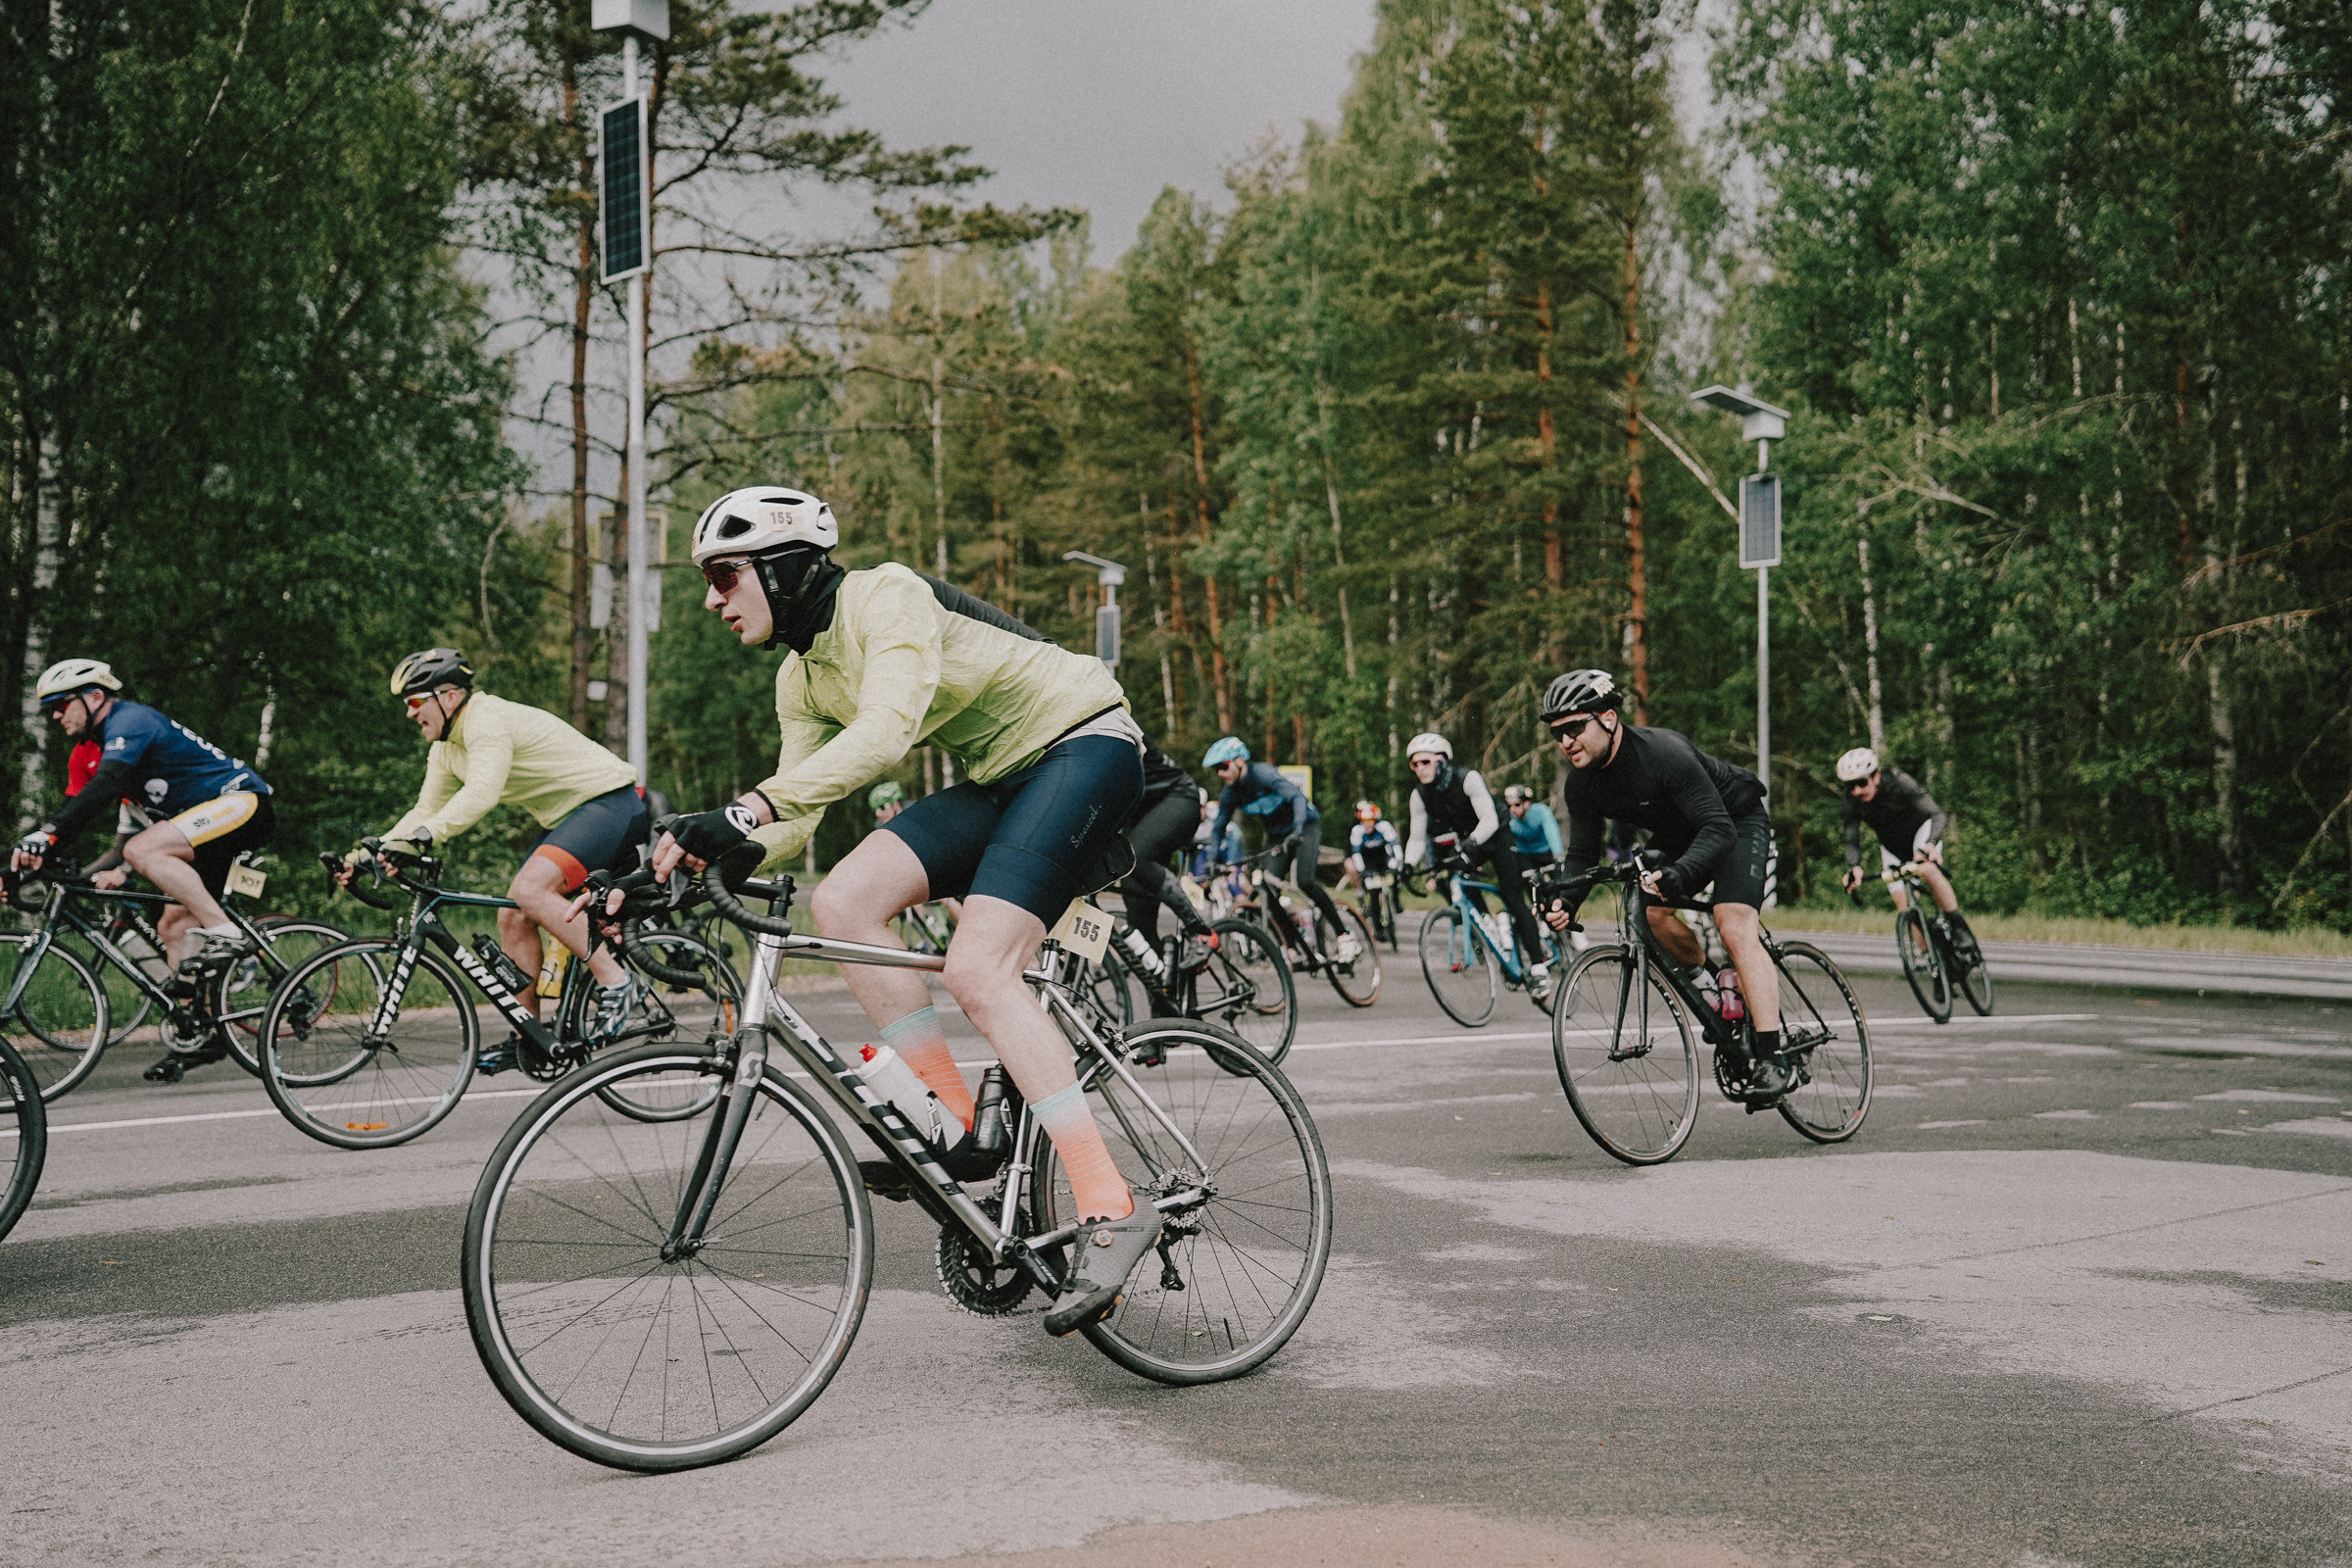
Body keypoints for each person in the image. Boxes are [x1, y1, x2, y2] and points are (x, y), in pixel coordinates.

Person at [648, 483, 1157, 1338]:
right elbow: (796, 817)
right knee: (842, 899)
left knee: (977, 967)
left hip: (1085, 743)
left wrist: (744, 810)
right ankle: (956, 1126)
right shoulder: (799, 676)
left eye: (726, 576)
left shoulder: (887, 595)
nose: (712, 599)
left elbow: (884, 734)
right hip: (1003, 773)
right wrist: (701, 850)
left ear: (781, 567)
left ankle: (1112, 1204)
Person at [351, 649, 647, 1073]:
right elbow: (425, 811)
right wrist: (369, 854)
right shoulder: (446, 747)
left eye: (416, 702)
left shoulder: (486, 721)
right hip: (569, 817)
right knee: (513, 916)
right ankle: (530, 1035)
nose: (410, 714)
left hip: (609, 803)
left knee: (530, 890)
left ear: (449, 696)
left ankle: (617, 982)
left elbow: (481, 794)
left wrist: (427, 837)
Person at [12, 659, 276, 1080]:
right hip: (200, 828)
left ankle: (227, 933)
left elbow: (101, 793)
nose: (56, 716)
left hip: (242, 802)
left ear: (94, 696)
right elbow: (74, 812)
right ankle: (203, 1032)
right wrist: (30, 860)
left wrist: (45, 836)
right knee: (173, 928)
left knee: (143, 850)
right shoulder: (89, 752)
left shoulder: (131, 720)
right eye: (50, 711)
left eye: (60, 705)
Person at [1537, 669, 1791, 1095]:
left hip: (1735, 821)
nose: (1566, 742)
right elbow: (1583, 854)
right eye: (1558, 733)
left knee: (1733, 925)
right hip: (1682, 832)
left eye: (1576, 727)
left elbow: (1718, 829)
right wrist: (1566, 901)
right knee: (1652, 915)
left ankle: (1773, 1057)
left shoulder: (1662, 753)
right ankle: (1717, 989)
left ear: (1609, 718)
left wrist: (1681, 873)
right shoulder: (1581, 783)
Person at [1401, 733, 1549, 997]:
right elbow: (1416, 836)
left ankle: (1538, 968)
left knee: (1512, 896)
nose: (1419, 769)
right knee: (1463, 888)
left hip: (1495, 833)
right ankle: (1496, 937)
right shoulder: (1420, 795)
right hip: (1467, 841)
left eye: (1424, 762)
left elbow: (1489, 820)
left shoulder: (1466, 778)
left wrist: (1471, 842)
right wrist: (1407, 865)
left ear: (1441, 760)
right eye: (1414, 764)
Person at [1202, 737, 1357, 961]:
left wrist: (1296, 831)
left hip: (1304, 825)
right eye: (1216, 769)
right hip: (1276, 836)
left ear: (1239, 761)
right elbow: (1218, 830)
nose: (1220, 773)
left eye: (1223, 766)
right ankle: (1292, 947)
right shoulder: (1231, 794)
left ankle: (1344, 935)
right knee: (1268, 890)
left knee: (1305, 881)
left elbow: (1297, 798)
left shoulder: (1262, 774)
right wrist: (1212, 858)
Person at [1836, 748, 1977, 957]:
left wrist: (1931, 844)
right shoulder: (1852, 800)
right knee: (1905, 909)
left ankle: (1958, 925)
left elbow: (1937, 814)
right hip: (1892, 847)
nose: (1856, 791)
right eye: (1850, 786)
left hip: (1921, 834)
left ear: (1876, 776)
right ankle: (1935, 965)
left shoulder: (1900, 782)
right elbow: (1852, 838)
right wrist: (1854, 866)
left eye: (1862, 783)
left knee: (1927, 869)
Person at [1344, 800, 1400, 889]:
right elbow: (1356, 853)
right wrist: (1362, 870)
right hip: (1367, 860)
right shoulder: (1357, 830)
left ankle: (1395, 899)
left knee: (1395, 876)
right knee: (1371, 885)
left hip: (1383, 858)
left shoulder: (1384, 826)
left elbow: (1395, 846)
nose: (1367, 824)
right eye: (1364, 821)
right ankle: (1363, 895)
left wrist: (1399, 863)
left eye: (1370, 821)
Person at [1503, 784, 1564, 867]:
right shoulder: (1509, 819)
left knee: (1560, 874)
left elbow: (1552, 832)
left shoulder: (1541, 811)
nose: (1512, 809)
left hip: (1546, 851)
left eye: (1517, 805)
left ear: (1527, 803)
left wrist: (1558, 854)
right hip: (1526, 855)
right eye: (1509, 806)